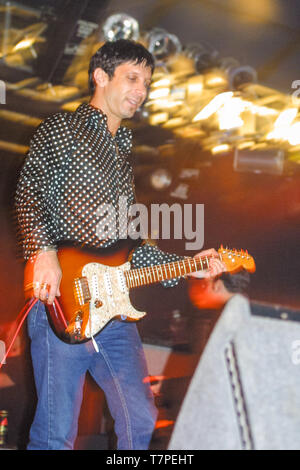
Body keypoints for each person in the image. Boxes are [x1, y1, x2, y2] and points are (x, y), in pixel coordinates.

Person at [15, 39, 225, 450]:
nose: (141, 91)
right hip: (65, 304)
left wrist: (189, 264)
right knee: (57, 432)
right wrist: (42, 251)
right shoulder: (64, 129)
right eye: (132, 78)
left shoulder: (123, 156)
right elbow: (30, 189)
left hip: (115, 314)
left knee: (141, 416)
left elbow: (132, 246)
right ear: (100, 76)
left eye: (146, 82)